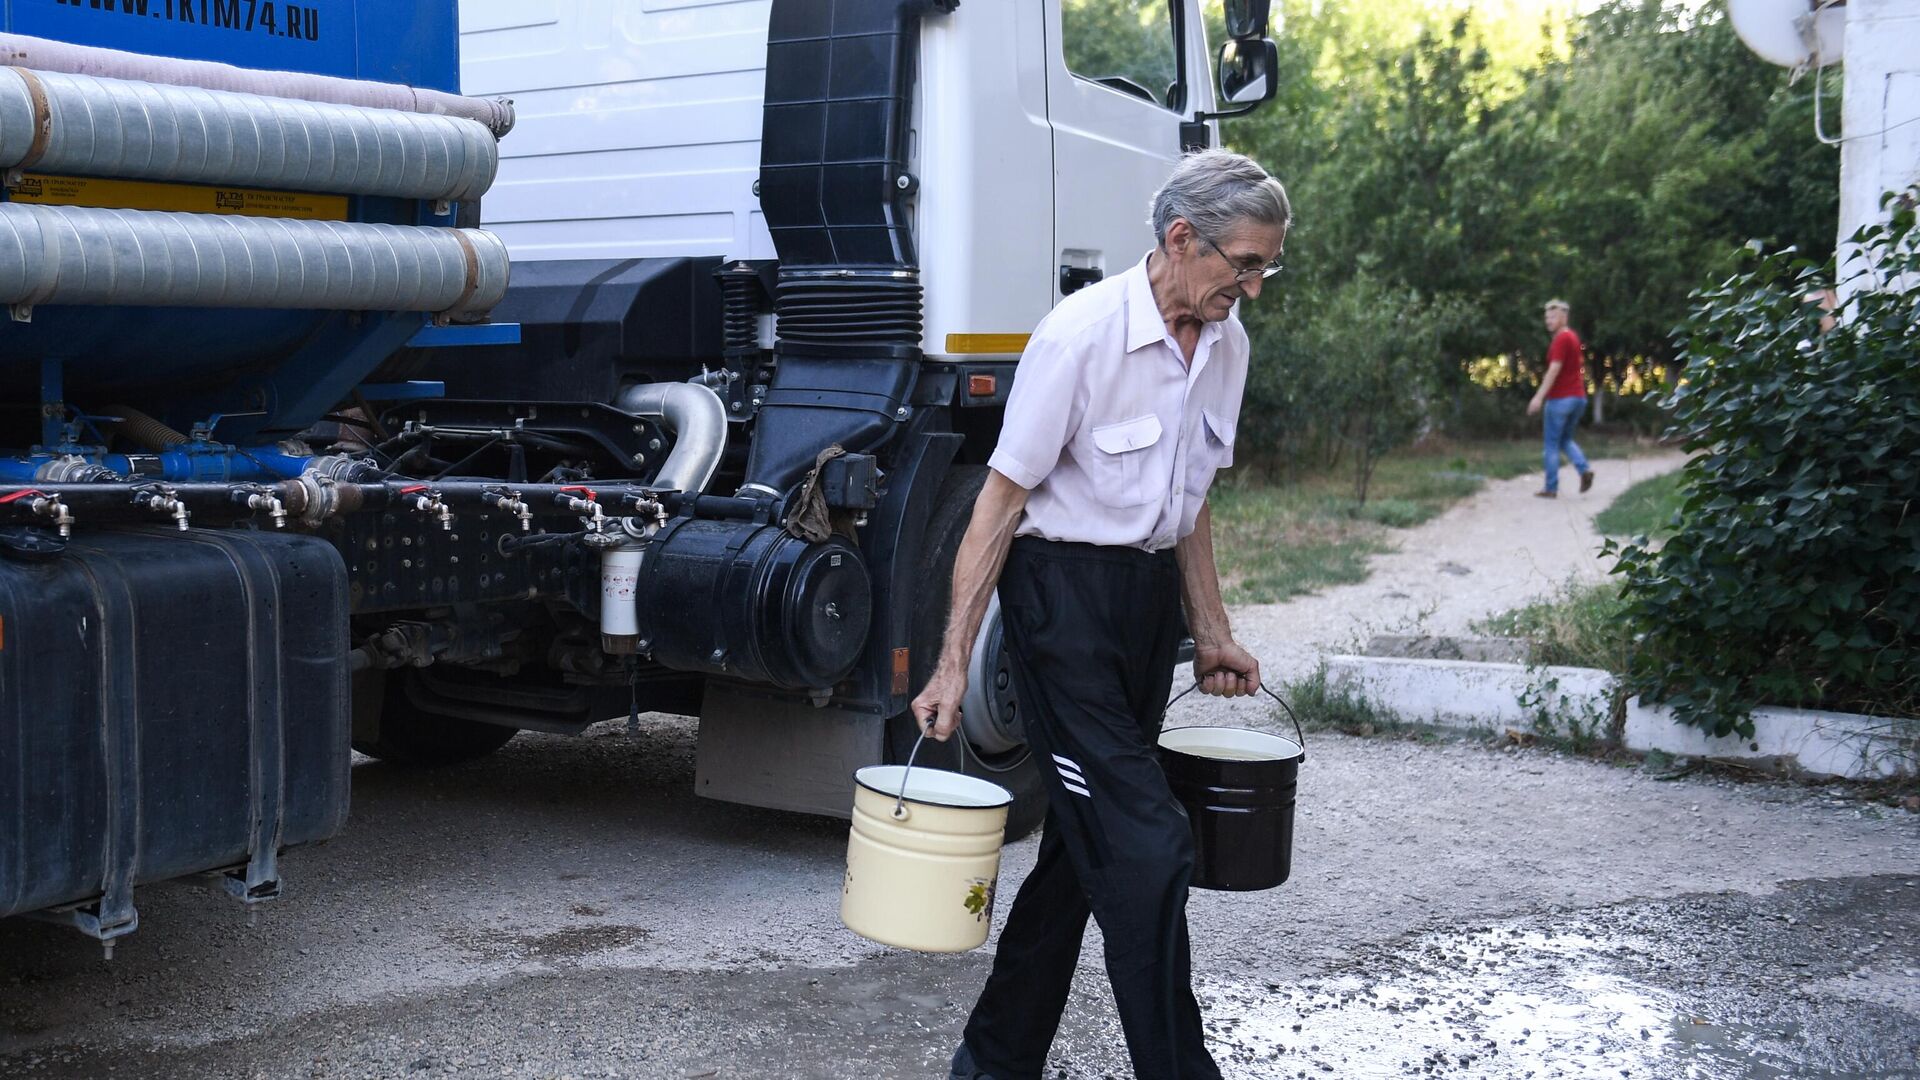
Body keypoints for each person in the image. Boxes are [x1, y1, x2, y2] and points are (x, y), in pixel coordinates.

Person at [910, 149, 1288, 1080]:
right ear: (1180, 239)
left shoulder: (1227, 344)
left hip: (1144, 611)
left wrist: (1210, 631)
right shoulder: (1081, 336)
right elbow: (998, 507)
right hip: (1059, 611)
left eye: (1266, 268)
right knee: (1151, 847)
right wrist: (953, 661)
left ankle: (992, 1063)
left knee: (1083, 857)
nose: (1254, 286)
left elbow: (1192, 501)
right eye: (1244, 265)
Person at [1527, 299, 1593, 498]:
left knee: (1551, 444)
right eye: (1547, 317)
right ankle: (1584, 470)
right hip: (1578, 398)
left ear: (1564, 317)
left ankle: (1551, 487)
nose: (1549, 320)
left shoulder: (1561, 340)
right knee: (1565, 439)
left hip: (1560, 399)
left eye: (1553, 316)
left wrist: (1538, 397)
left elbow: (1554, 369)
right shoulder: (1572, 337)